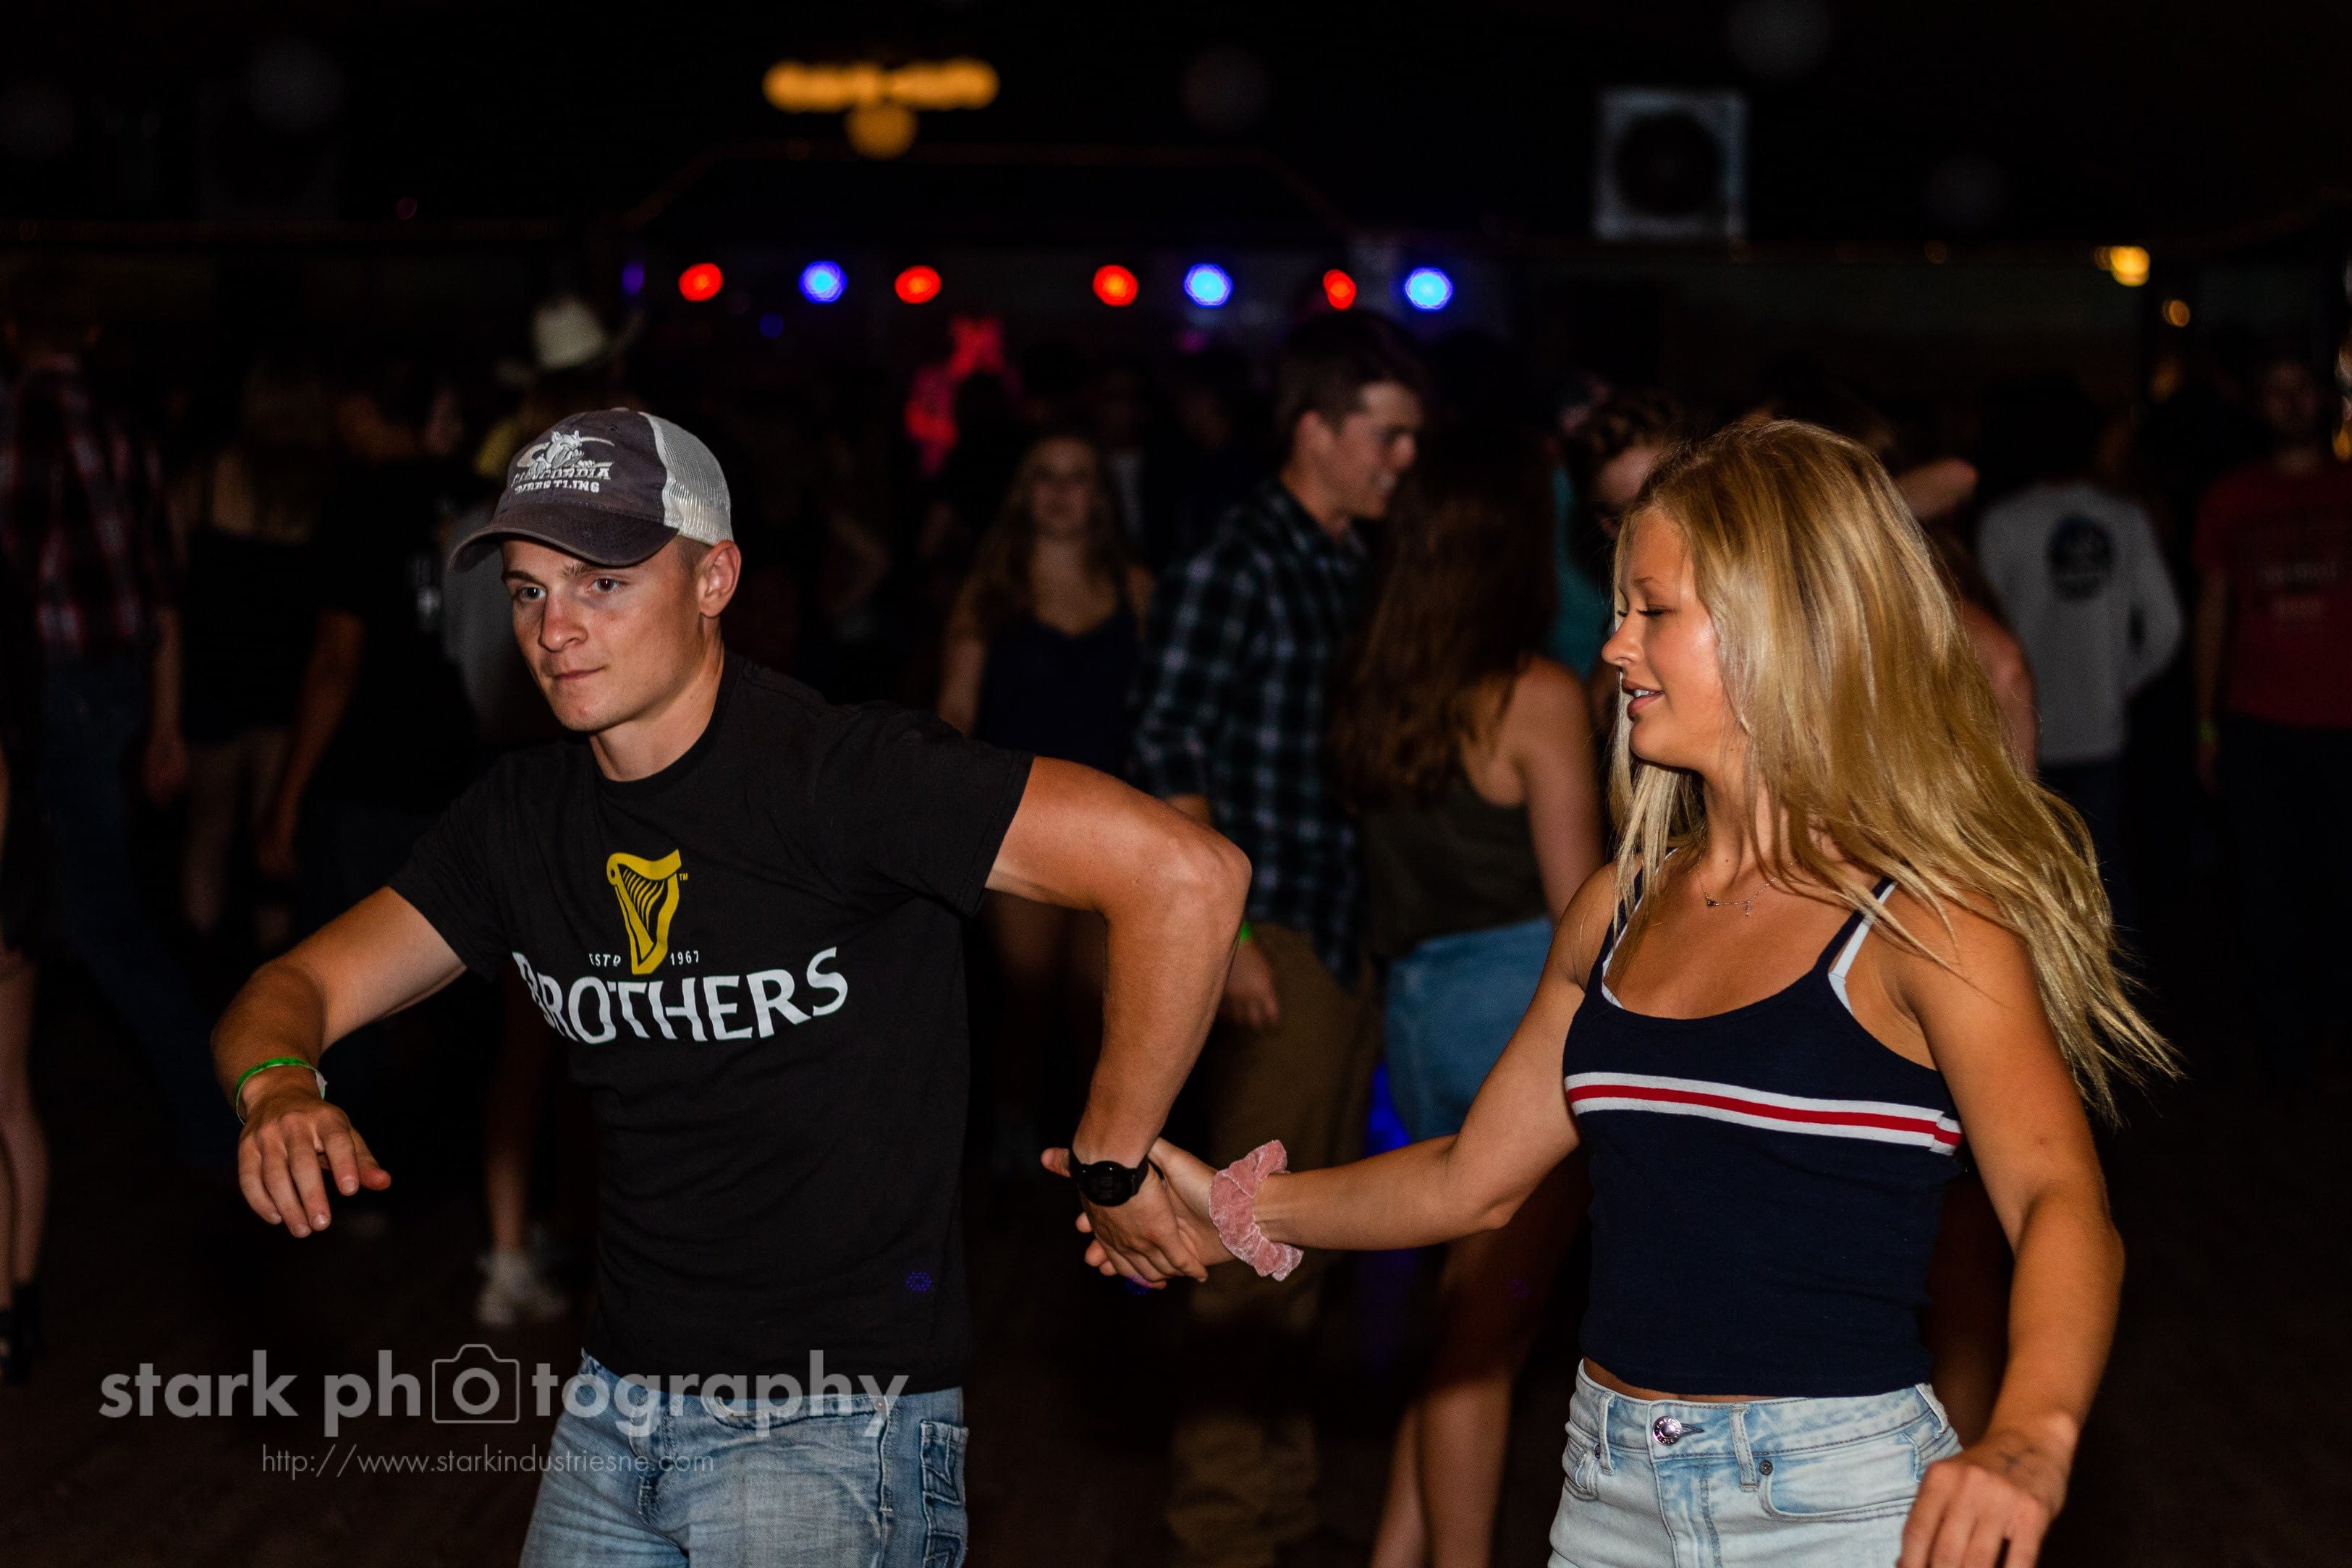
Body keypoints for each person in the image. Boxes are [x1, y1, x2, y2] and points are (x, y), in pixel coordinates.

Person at [1079, 421, 2174, 1567]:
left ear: (1779, 622)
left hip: (1836, 1500)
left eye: (1653, 610)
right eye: (1618, 610)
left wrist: (2030, 1435)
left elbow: (2057, 1197)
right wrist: (1235, 1211)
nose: (1613, 645)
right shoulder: (1617, 907)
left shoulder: (1920, 919)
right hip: (1608, 1492)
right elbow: (1470, 1178)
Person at [215, 408, 1248, 1567]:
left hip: (834, 1426)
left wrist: (1112, 1158)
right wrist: (278, 1085)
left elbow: (1186, 875)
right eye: (527, 590)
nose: (556, 626)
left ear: (715, 578)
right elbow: (293, 982)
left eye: (603, 581)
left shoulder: (842, 777)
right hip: (613, 1404)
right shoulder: (518, 820)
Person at [1129, 310, 1424, 1568]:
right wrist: (1233, 935)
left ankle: (1280, 1508)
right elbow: (1162, 746)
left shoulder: (1346, 557)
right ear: (1313, 427)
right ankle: (1219, 1531)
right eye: (1386, 434)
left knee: (1304, 1235)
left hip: (1345, 931)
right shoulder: (1239, 557)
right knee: (1250, 1240)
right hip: (1280, 936)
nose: (1402, 458)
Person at [1327, 427, 1604, 1568]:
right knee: (1487, 1336)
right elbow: (1580, 908)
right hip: (1520, 1015)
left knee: (1463, 1316)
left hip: (1418, 1013)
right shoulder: (1531, 694)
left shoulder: (1374, 684)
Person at [0, 266, 229, 1170]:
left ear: (13, 331)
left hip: (47, 694)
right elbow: (162, 592)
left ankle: (220, 1113)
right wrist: (164, 722)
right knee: (76, 908)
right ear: (90, 333)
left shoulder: (21, 420)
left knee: (100, 919)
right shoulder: (127, 429)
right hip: (116, 687)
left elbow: (12, 583)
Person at [936, 433, 1153, 1169]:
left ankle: (1099, 1162)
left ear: (1101, 495)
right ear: (1024, 492)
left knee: (1102, 1008)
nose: (1061, 492)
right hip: (1019, 822)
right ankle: (1011, 1157)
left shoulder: (1136, 588)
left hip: (1117, 825)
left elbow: (1167, 713)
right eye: (1045, 477)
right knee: (1024, 1000)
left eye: (1078, 477)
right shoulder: (991, 590)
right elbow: (955, 710)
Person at [2193, 349, 2352, 1090]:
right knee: (2267, 895)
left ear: (2325, 398)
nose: (2289, 402)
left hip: (2343, 726)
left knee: (2341, 891)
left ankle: (2335, 1033)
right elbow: (2213, 610)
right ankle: (2282, 1052)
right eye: (2274, 390)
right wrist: (2205, 725)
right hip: (2257, 726)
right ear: (2257, 407)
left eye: (2301, 388)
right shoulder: (2230, 496)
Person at [1979, 380, 2182, 931]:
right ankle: (2117, 984)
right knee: (2105, 878)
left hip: (2018, 732)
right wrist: (2122, 681)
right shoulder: (2124, 517)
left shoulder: (2003, 521)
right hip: (2100, 730)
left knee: (2028, 887)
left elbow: (1978, 637)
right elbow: (2166, 627)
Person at [170, 352, 335, 961]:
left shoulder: (210, 475)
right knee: (273, 835)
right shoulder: (324, 490)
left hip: (213, 677)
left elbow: (167, 579)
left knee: (208, 832)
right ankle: (273, 976)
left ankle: (202, 971)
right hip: (283, 686)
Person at [1561, 391, 1689, 723]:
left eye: (1672, 489)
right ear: (1609, 526)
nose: (1663, 517)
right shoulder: (1621, 645)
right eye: (1634, 513)